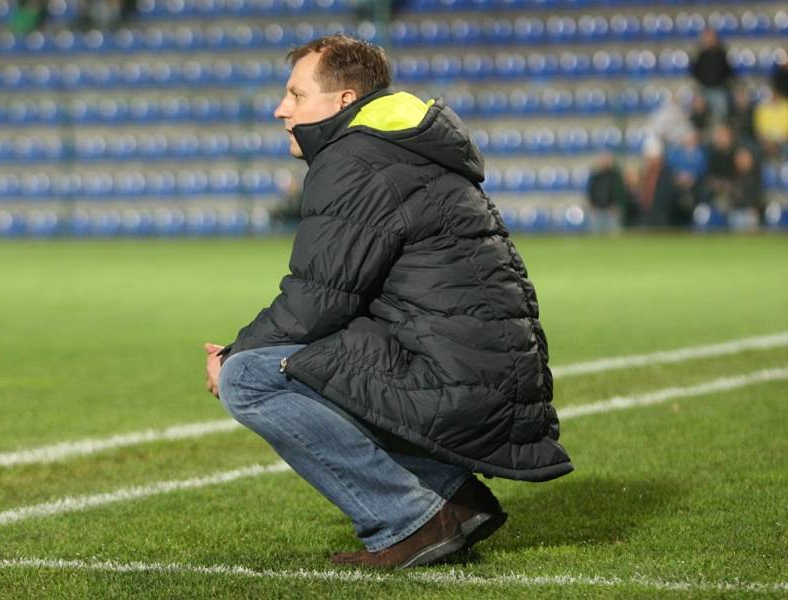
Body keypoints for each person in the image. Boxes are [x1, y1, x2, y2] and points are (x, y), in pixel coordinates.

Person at [204, 34, 572, 569]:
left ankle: (414, 518)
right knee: (306, 355)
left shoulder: (354, 159)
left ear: (344, 101)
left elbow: (316, 301)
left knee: (250, 378)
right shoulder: (394, 145)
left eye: (296, 95)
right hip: (483, 369)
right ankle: (450, 494)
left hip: (460, 379)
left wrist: (231, 355)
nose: (281, 109)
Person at [689, 28, 735, 123]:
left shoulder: (721, 54)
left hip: (719, 89)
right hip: (703, 89)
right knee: (699, 112)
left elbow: (728, 72)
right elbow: (694, 71)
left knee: (721, 116)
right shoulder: (701, 55)